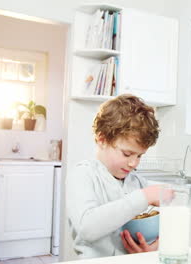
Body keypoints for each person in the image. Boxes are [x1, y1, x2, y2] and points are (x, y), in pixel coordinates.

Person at [66, 94, 172, 258]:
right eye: (127, 153)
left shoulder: (137, 182)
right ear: (102, 139)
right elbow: (87, 228)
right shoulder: (83, 175)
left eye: (139, 156)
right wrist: (143, 197)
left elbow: (160, 228)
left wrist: (155, 247)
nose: (134, 163)